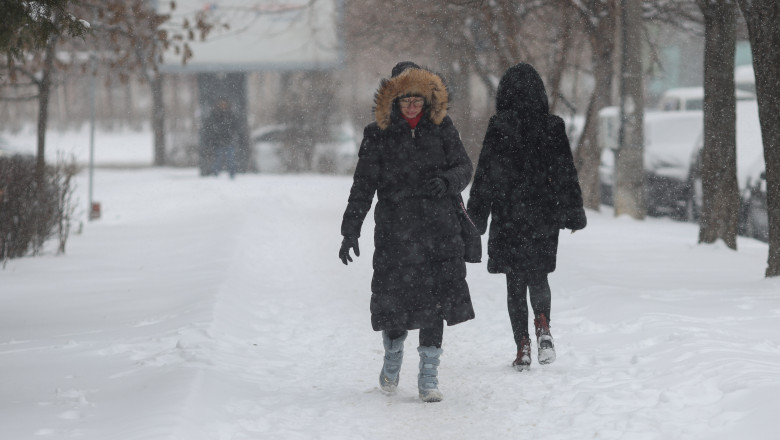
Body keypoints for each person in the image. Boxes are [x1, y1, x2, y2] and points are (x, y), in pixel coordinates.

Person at [339, 61, 475, 402]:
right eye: (405, 99)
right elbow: (363, 186)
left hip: (438, 232)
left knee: (435, 305)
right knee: (395, 304)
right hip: (396, 234)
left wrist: (446, 181)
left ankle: (428, 378)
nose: (412, 105)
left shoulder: (443, 128)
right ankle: (393, 357)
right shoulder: (377, 135)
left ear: (428, 99)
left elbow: (464, 167)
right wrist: (350, 230)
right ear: (394, 100)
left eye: (417, 99)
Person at [466, 63, 587, 371]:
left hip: (508, 216)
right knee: (539, 275)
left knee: (514, 283)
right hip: (543, 216)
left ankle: (522, 346)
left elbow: (485, 176)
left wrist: (476, 217)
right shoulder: (553, 126)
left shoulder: (499, 126)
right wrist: (572, 212)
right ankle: (543, 326)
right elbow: (566, 173)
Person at [202, 98, 239, 178]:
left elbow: (235, 126)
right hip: (218, 141)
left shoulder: (230, 114)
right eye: (221, 104)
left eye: (224, 104)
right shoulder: (215, 114)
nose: (223, 105)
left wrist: (231, 134)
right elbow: (210, 127)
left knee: (230, 159)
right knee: (217, 159)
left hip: (229, 140)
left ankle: (232, 174)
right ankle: (215, 173)